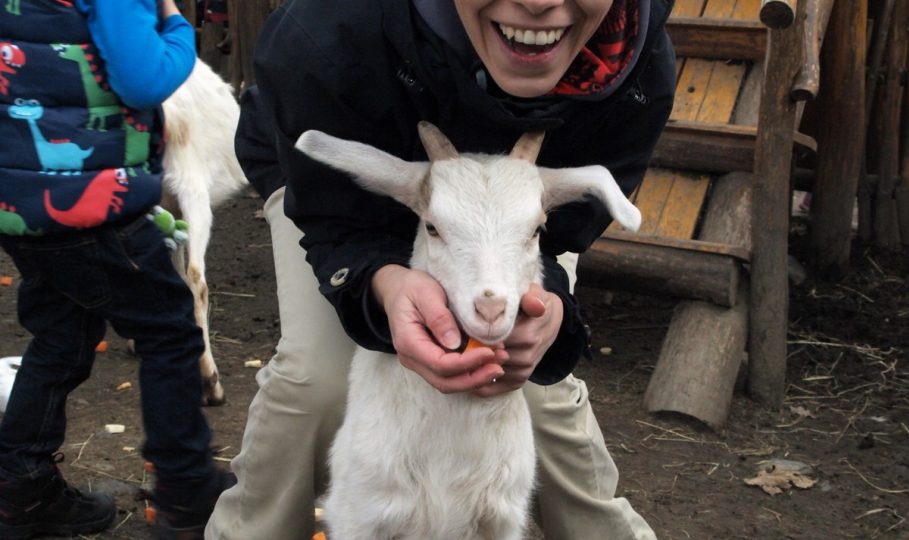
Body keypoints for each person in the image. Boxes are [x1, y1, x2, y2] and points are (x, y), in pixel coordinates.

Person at [208, 0, 675, 538]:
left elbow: (562, 232)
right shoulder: (326, 31)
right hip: (333, 180)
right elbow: (330, 212)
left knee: (536, 387)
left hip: (511, 217)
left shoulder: (632, 59)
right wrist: (379, 282)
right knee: (316, 378)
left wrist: (549, 315)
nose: (541, 2)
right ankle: (251, 529)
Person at [0, 1, 233, 539]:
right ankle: (184, 490)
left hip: (19, 201)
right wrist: (176, 24)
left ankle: (21, 489)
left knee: (62, 335)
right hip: (88, 200)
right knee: (171, 332)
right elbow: (144, 79)